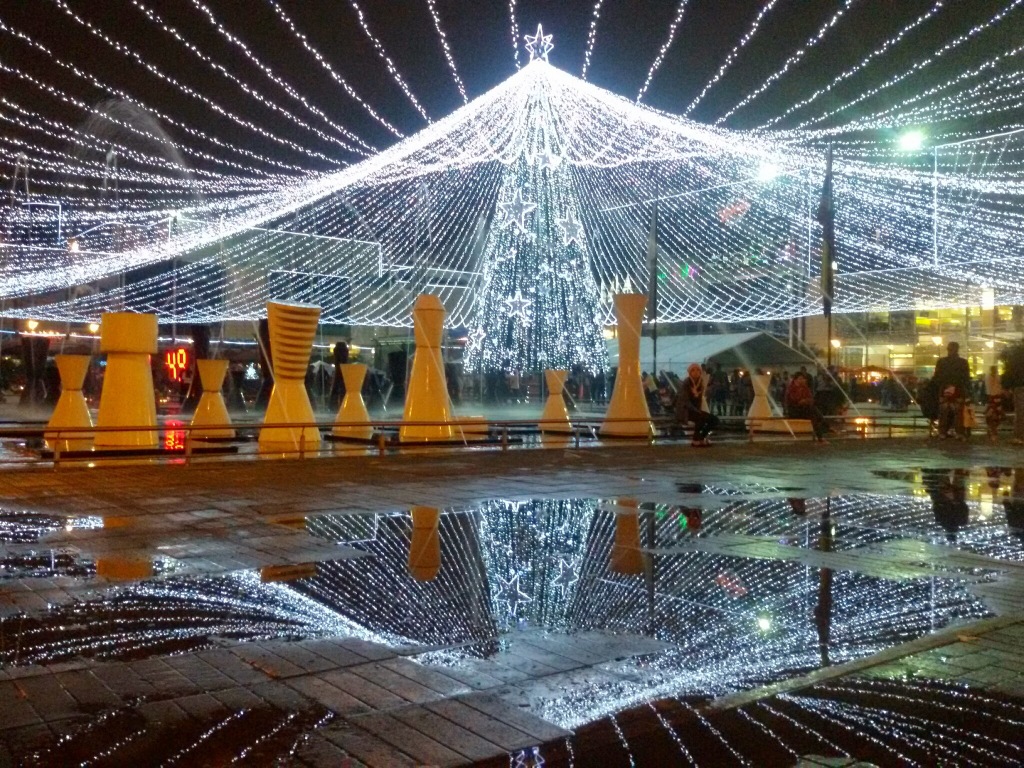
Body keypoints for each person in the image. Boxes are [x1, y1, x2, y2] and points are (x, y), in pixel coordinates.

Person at [933, 341, 972, 438]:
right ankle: (959, 432)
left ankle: (942, 431)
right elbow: (966, 378)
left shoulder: (941, 362)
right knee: (958, 413)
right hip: (958, 389)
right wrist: (967, 392)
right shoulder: (963, 362)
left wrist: (942, 385)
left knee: (944, 412)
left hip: (944, 389)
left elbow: (937, 377)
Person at [675, 363, 719, 447]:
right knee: (700, 418)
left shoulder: (700, 384)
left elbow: (698, 401)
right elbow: (685, 401)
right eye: (693, 370)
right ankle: (695, 440)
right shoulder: (686, 383)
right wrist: (697, 411)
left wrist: (698, 411)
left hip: (694, 410)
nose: (696, 372)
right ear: (689, 373)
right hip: (685, 411)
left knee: (714, 420)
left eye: (698, 370)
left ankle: (701, 438)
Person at [785, 371, 828, 441]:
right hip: (794, 411)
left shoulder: (805, 388)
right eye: (800, 379)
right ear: (795, 380)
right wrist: (805, 401)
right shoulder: (791, 389)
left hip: (804, 409)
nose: (803, 380)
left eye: (803, 379)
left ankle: (820, 436)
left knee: (812, 412)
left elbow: (811, 399)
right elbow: (796, 401)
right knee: (812, 411)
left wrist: (805, 401)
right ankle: (824, 428)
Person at [1002, 341, 1024, 445]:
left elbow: (1011, 371)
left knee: (1020, 413)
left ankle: (1020, 436)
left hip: (1020, 386)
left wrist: (1006, 386)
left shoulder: (1018, 355)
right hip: (1020, 386)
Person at [985, 364, 1004, 442]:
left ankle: (992, 429)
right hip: (993, 397)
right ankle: (993, 430)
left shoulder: (996, 377)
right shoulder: (991, 377)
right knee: (992, 414)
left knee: (996, 414)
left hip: (996, 397)